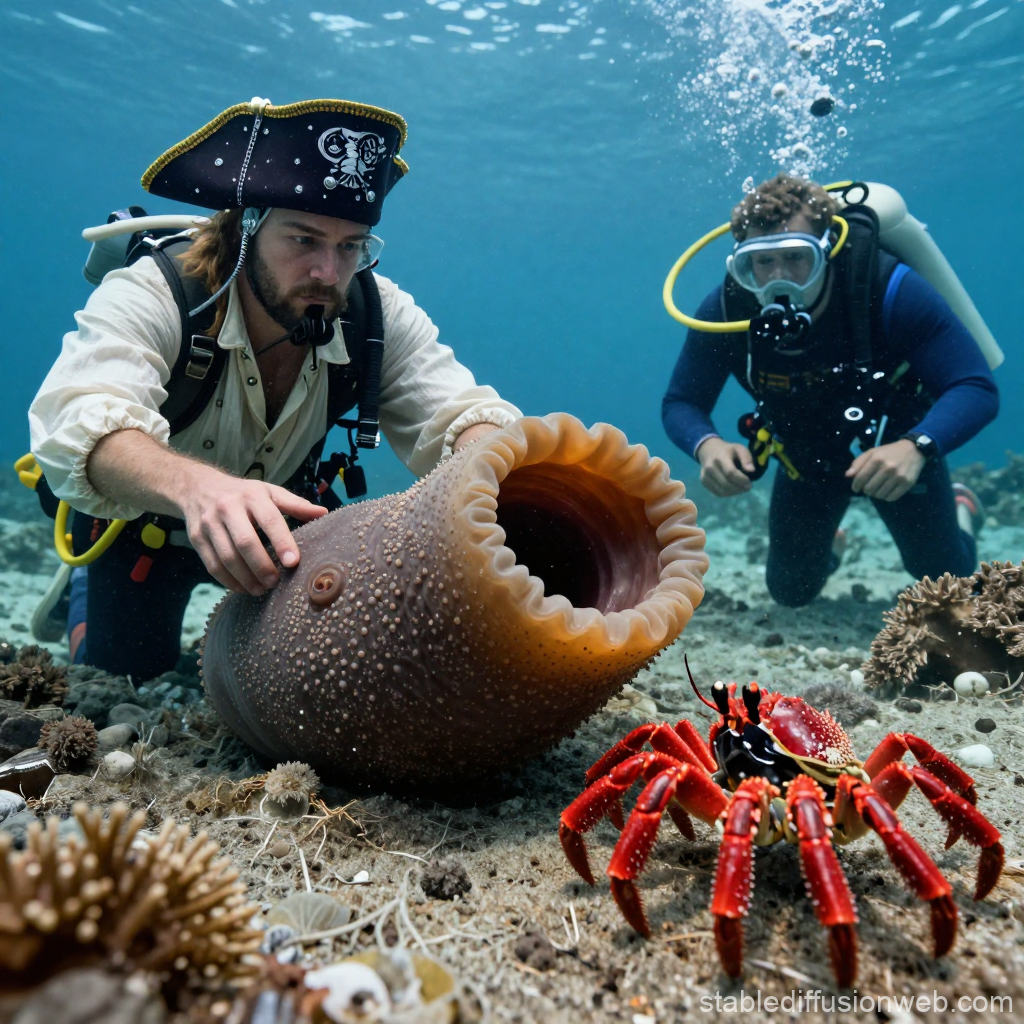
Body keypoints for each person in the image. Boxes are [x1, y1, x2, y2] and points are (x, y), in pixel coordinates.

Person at [29, 97, 521, 679]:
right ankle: (81, 589)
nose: (329, 273)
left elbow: (462, 416)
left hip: (278, 546)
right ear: (245, 228)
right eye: (304, 240)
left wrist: (503, 477)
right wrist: (200, 492)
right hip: (144, 534)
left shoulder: (376, 314)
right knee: (126, 683)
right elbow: (78, 414)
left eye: (350, 245)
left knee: (339, 685)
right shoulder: (160, 289)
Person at [662, 173, 998, 607]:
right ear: (741, 264)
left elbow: (975, 385)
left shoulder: (889, 289)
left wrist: (916, 447)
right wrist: (706, 446)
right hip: (805, 459)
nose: (778, 280)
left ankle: (962, 507)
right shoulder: (727, 308)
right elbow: (682, 401)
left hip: (898, 454)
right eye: (761, 263)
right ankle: (831, 540)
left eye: (797, 258)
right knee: (790, 592)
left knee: (946, 580)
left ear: (829, 251)